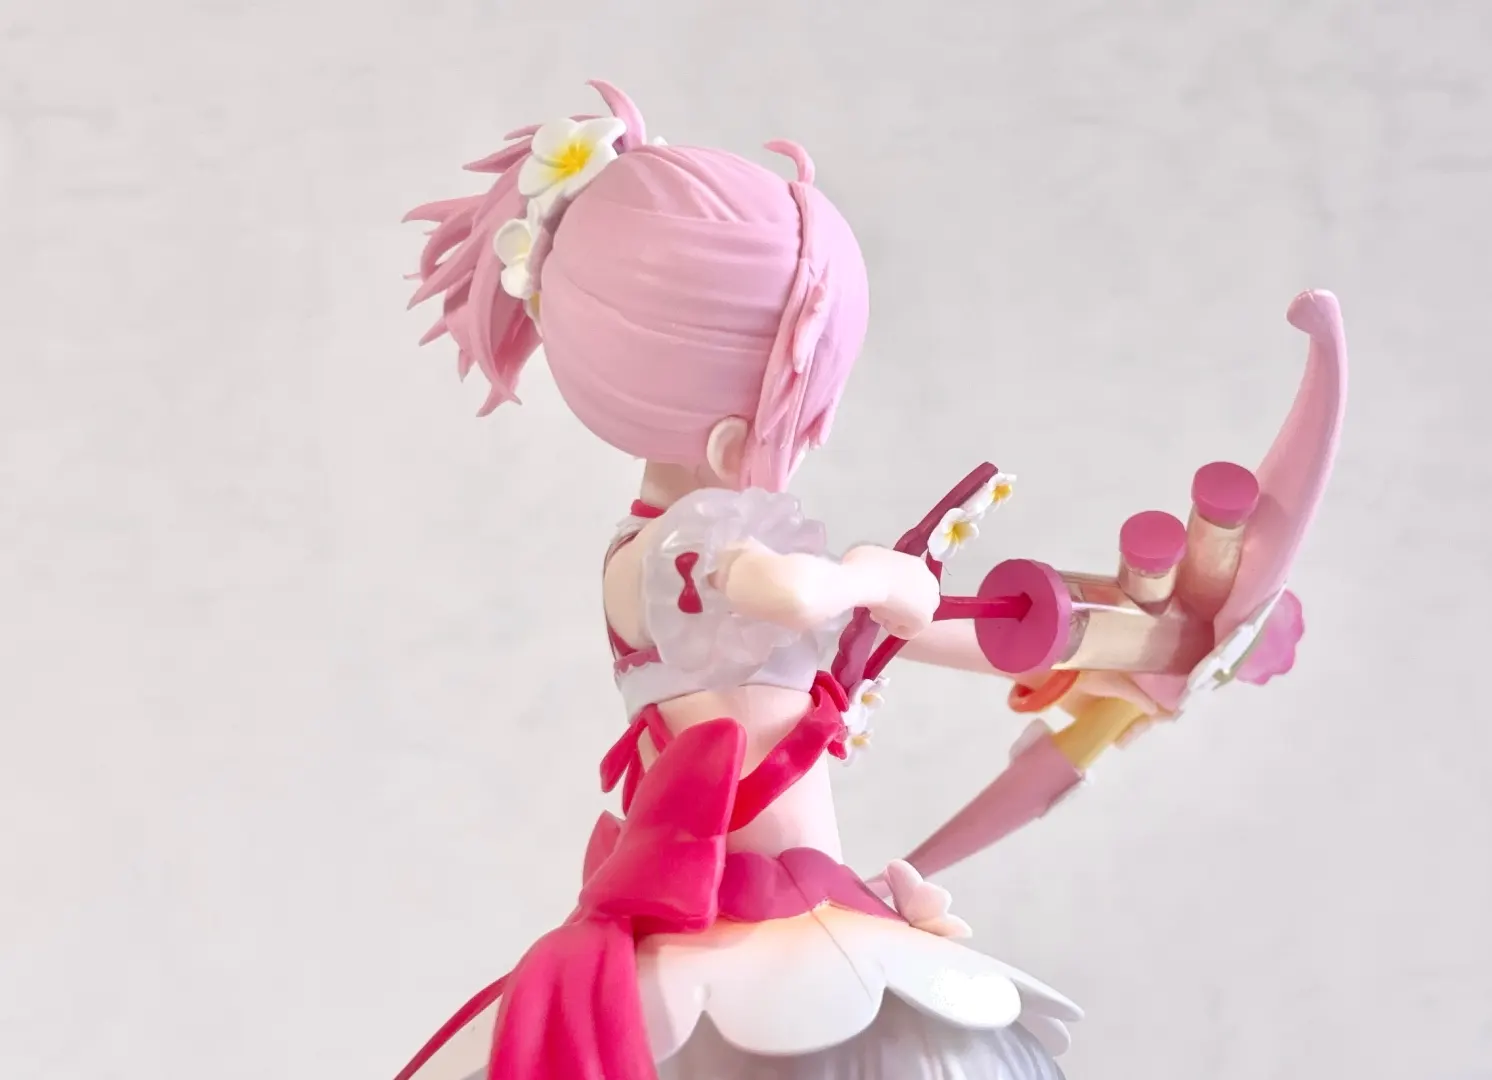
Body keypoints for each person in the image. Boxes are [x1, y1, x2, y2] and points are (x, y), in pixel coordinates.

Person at [395, 79, 1079, 1080]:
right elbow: (789, 596)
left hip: (804, 894)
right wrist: (872, 578)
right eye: (803, 415)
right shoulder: (671, 556)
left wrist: (1084, 648)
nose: (812, 440)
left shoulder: (739, 553)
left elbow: (898, 630)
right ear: (726, 440)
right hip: (730, 904)